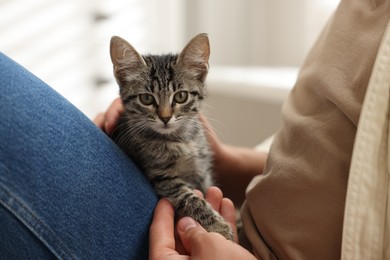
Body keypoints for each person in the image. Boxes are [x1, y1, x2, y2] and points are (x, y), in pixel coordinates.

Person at [1, 0, 389, 259]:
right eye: (151, 101)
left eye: (179, 100)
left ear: (200, 76)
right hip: (230, 218)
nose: (167, 114)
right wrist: (232, 162)